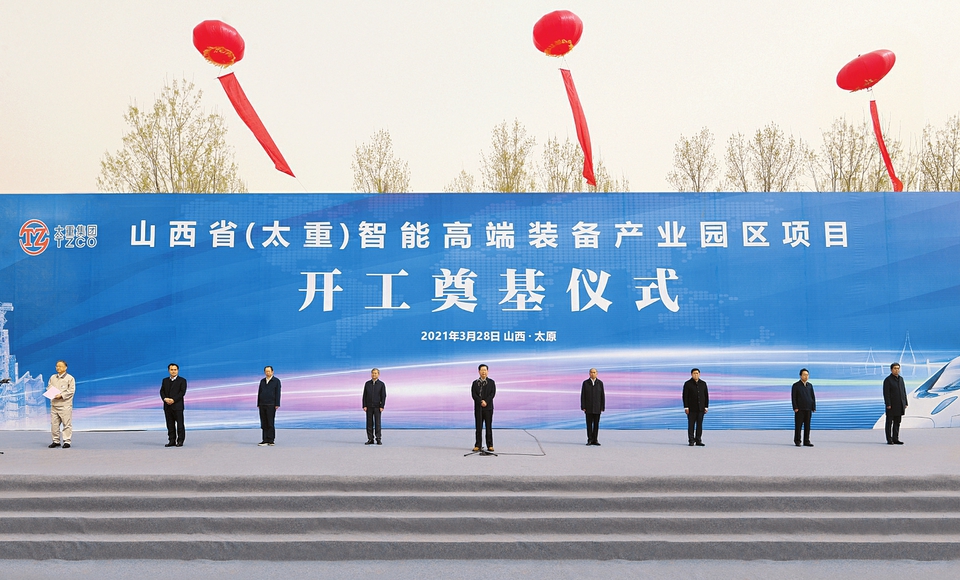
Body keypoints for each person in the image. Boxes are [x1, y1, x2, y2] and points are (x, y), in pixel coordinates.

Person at [47, 360, 75, 449]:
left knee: (66, 424)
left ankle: (67, 441)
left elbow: (71, 391)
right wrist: (51, 393)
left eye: (60, 366)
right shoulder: (53, 377)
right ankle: (56, 441)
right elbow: (49, 387)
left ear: (65, 368)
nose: (58, 368)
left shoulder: (70, 378)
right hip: (54, 405)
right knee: (54, 424)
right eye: (57, 366)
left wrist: (61, 395)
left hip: (65, 405)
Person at [160, 363, 187, 447]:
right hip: (167, 406)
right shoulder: (165, 380)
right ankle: (171, 440)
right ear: (169, 371)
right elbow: (162, 391)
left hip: (177, 406)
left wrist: (173, 400)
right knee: (170, 425)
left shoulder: (182, 380)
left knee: (180, 425)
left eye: (175, 370)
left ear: (177, 370)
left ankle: (180, 441)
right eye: (171, 370)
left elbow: (182, 392)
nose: (173, 371)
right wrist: (165, 399)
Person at [471, 364, 496, 452]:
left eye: (485, 370)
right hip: (479, 408)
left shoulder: (491, 382)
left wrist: (486, 401)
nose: (483, 372)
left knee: (488, 427)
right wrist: (480, 401)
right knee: (478, 427)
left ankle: (490, 445)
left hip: (488, 408)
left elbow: (492, 394)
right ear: (479, 371)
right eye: (482, 370)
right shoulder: (475, 383)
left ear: (487, 371)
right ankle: (478, 445)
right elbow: (474, 395)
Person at [682, 368, 708, 446]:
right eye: (694, 373)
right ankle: (691, 440)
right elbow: (685, 396)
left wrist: (706, 406)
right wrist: (686, 407)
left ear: (699, 374)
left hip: (701, 408)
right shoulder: (687, 384)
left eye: (697, 373)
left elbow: (706, 396)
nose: (696, 375)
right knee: (691, 425)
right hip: (691, 409)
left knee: (699, 425)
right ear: (691, 374)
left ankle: (698, 440)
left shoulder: (703, 383)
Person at [883, 362, 908, 445]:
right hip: (891, 405)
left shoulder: (901, 379)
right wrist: (888, 404)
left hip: (900, 404)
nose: (897, 370)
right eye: (895, 368)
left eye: (898, 368)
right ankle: (889, 439)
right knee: (889, 423)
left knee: (897, 422)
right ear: (891, 370)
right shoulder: (888, 380)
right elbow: (886, 393)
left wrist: (905, 402)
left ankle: (895, 438)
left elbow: (903, 391)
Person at [257, 366, 281, 446]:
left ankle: (271, 440)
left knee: (270, 422)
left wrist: (277, 404)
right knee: (263, 422)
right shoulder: (262, 381)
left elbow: (278, 393)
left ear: (272, 372)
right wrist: (258, 403)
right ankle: (264, 439)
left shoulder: (276, 381)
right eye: (266, 371)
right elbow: (259, 392)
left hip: (271, 404)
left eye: (269, 371)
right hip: (262, 404)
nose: (267, 373)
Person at [792, 368, 816, 447]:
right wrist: (795, 407)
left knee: (807, 426)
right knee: (798, 426)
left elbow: (812, 397)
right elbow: (794, 397)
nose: (806, 376)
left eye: (807, 375)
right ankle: (797, 440)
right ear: (800, 376)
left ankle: (806, 441)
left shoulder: (810, 385)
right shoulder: (796, 385)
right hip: (799, 409)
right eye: (804, 375)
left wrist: (813, 407)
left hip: (808, 408)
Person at [581, 368, 605, 446]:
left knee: (596, 424)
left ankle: (595, 440)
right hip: (588, 407)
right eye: (591, 372)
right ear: (589, 373)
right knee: (589, 424)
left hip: (597, 407)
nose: (593, 374)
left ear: (597, 373)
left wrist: (602, 407)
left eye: (594, 372)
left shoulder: (600, 383)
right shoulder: (585, 383)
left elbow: (602, 396)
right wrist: (583, 406)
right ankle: (590, 439)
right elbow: (583, 395)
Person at [362, 368, 386, 445]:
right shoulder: (367, 384)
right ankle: (370, 439)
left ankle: (378, 438)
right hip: (369, 406)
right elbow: (364, 395)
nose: (374, 374)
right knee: (369, 423)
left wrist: (382, 406)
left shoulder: (381, 384)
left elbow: (383, 396)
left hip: (377, 407)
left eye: (375, 373)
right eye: (373, 373)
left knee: (377, 423)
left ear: (378, 374)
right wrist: (364, 405)